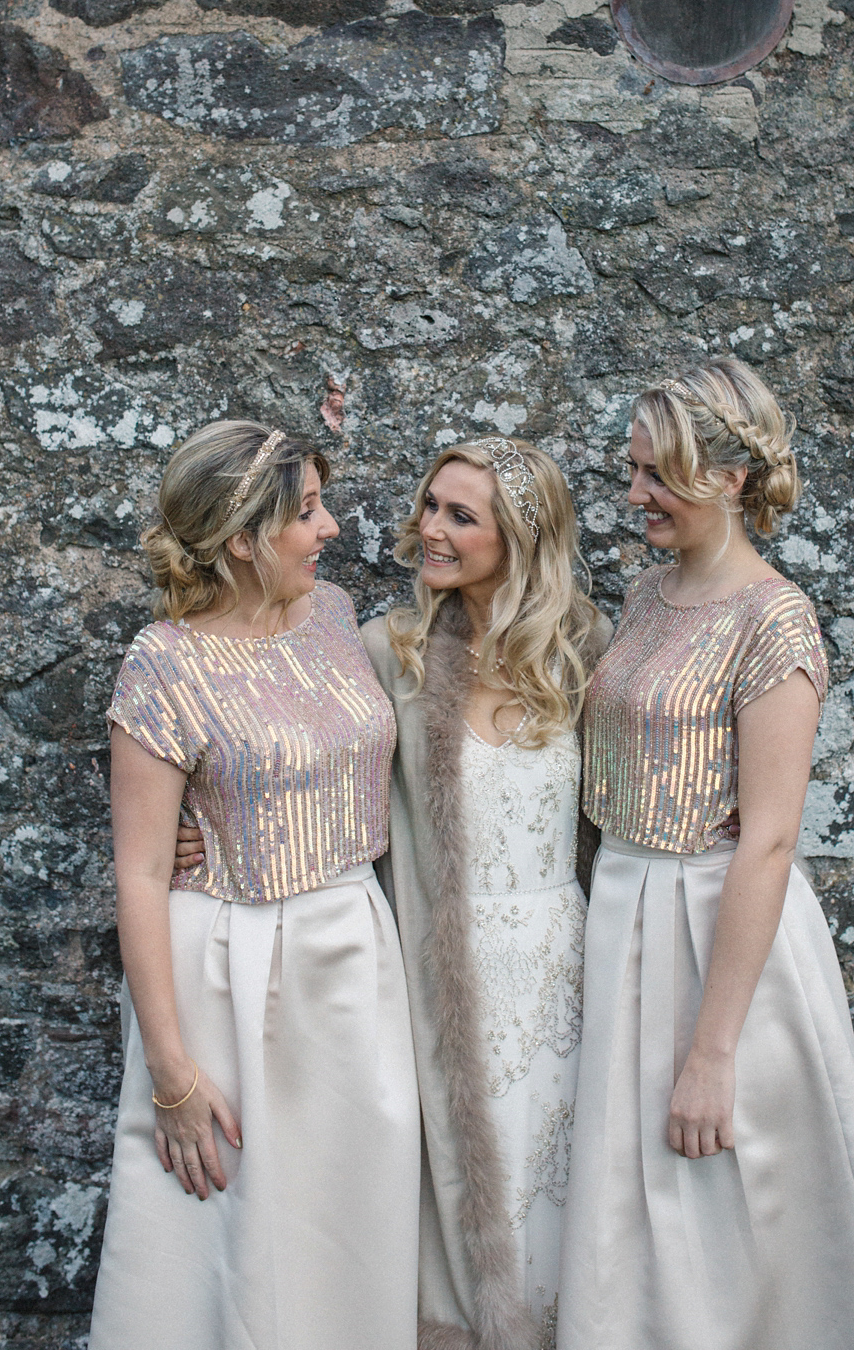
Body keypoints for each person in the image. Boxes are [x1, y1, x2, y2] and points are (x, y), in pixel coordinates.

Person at [178, 437, 611, 1350]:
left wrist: (719, 812)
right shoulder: (384, 648)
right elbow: (284, 730)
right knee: (444, 1204)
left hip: (565, 977)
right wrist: (205, 821)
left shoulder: (584, 649)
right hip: (431, 973)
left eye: (462, 515)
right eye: (430, 507)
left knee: (571, 1197)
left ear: (524, 537)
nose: (430, 531)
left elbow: (640, 781)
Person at [558, 358, 854, 1350]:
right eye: (633, 471)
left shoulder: (776, 622)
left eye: (657, 476)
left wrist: (712, 1052)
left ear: (729, 478)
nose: (634, 495)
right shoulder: (646, 593)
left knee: (730, 1211)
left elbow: (767, 841)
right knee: (634, 1212)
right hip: (627, 913)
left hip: (722, 936)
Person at [88, 421, 419, 1350]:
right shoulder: (165, 665)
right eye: (308, 511)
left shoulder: (334, 616)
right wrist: (170, 1075)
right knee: (226, 1233)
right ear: (241, 537)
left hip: (354, 952)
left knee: (353, 1209)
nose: (333, 528)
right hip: (228, 968)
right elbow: (144, 870)